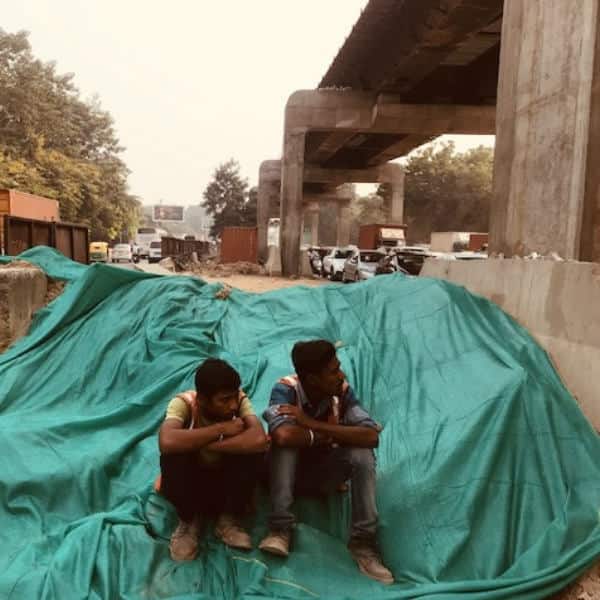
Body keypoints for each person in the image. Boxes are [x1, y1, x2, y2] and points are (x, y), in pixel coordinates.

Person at [258, 340, 394, 584]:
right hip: (283, 475)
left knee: (361, 454)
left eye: (338, 367)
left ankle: (363, 543)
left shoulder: (342, 391)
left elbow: (370, 436)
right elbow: (283, 434)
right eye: (333, 371)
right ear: (311, 379)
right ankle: (280, 527)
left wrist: (312, 426)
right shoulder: (286, 390)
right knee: (285, 445)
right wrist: (330, 434)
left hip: (322, 477)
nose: (340, 375)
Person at [158, 358, 268, 561]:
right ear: (202, 400)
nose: (233, 405)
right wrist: (221, 430)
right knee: (173, 456)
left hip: (225, 482)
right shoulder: (184, 403)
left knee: (253, 452)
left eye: (234, 397)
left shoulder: (240, 401)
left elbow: (259, 438)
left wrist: (209, 445)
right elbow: (166, 440)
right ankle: (189, 523)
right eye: (224, 400)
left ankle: (228, 520)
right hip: (193, 482)